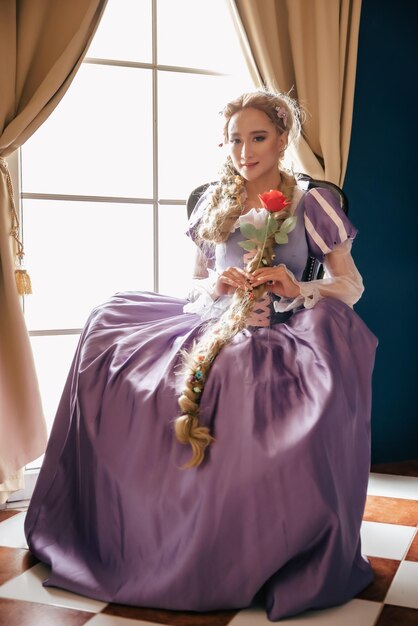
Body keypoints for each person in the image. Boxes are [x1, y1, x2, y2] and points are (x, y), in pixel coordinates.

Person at [25, 89, 377, 621]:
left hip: (285, 329)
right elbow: (193, 289)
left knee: (239, 375)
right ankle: (142, 524)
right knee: (106, 325)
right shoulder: (215, 200)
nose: (244, 150)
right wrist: (217, 283)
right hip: (212, 322)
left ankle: (253, 542)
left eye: (258, 137)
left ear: (282, 139)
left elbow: (350, 286)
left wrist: (293, 287)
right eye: (235, 139)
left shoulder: (311, 203)